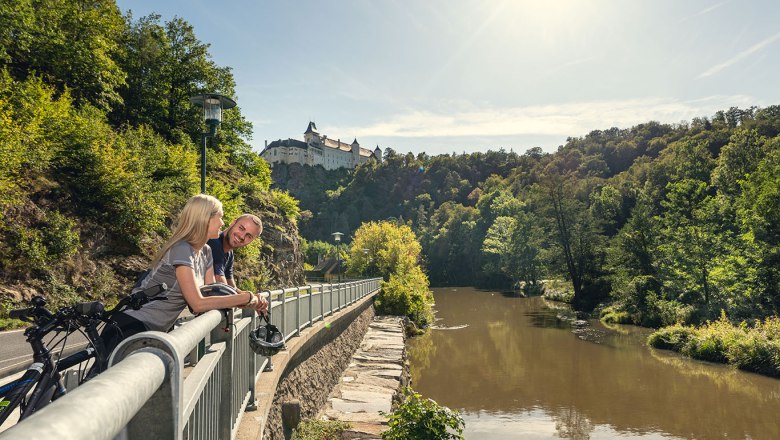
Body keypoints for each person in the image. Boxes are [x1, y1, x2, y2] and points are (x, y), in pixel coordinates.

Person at [100, 194, 268, 359]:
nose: (223, 223)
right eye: (220, 217)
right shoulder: (182, 248)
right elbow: (197, 303)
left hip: (156, 331)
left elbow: (214, 293)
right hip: (132, 324)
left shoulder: (206, 252)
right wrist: (247, 299)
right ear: (204, 219)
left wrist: (250, 301)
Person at [208, 214, 262, 289]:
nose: (242, 236)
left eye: (249, 236)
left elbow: (232, 288)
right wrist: (249, 298)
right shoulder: (214, 242)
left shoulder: (229, 254)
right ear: (233, 223)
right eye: (241, 228)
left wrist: (251, 296)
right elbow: (222, 286)